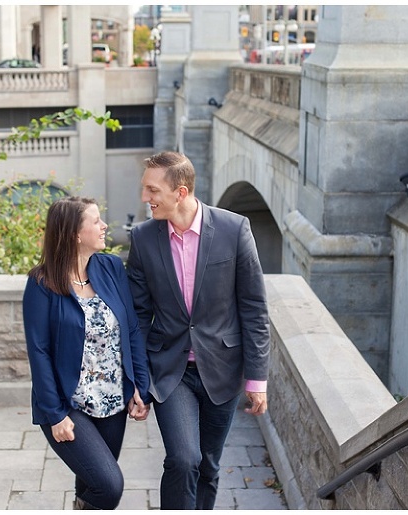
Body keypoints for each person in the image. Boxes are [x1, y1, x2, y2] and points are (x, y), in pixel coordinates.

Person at [126, 151, 271, 510]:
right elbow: (138, 317)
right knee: (183, 459)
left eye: (152, 190)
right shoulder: (144, 238)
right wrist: (137, 381)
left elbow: (254, 308)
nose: (146, 198)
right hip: (170, 371)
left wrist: (256, 380)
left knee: (207, 465)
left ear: (181, 191)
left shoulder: (233, 229)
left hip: (222, 369)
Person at [23, 196, 151, 510]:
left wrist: (139, 386)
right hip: (69, 405)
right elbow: (38, 352)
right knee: (110, 486)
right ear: (75, 234)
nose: (104, 226)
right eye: (96, 221)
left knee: (90, 485)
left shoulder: (110, 267)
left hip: (112, 401)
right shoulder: (41, 283)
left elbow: (131, 328)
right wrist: (55, 415)